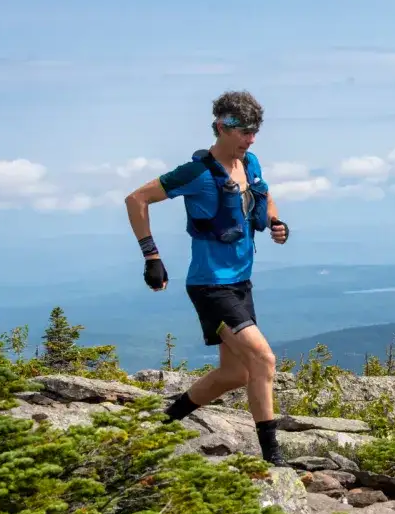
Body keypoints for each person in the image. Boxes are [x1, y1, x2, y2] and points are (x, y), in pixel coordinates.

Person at [124, 90, 291, 465]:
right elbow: (136, 199)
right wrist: (152, 256)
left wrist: (276, 222)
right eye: (244, 132)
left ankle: (163, 423)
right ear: (221, 127)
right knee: (263, 360)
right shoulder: (196, 174)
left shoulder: (250, 164)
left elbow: (265, 199)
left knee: (234, 373)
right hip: (210, 285)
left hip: (240, 282)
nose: (250, 139)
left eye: (254, 132)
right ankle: (274, 458)